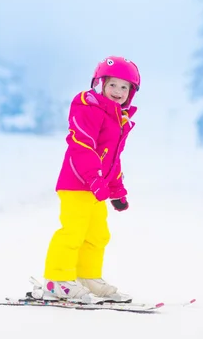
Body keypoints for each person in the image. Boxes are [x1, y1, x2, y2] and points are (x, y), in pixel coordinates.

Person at [39, 56, 140, 304]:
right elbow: (82, 145)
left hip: (97, 188)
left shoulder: (118, 119)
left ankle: (86, 277)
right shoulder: (88, 108)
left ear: (131, 93)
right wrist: (93, 178)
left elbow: (112, 159)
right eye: (113, 84)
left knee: (97, 235)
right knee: (73, 232)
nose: (118, 91)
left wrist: (116, 190)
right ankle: (57, 280)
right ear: (100, 84)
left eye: (124, 87)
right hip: (76, 184)